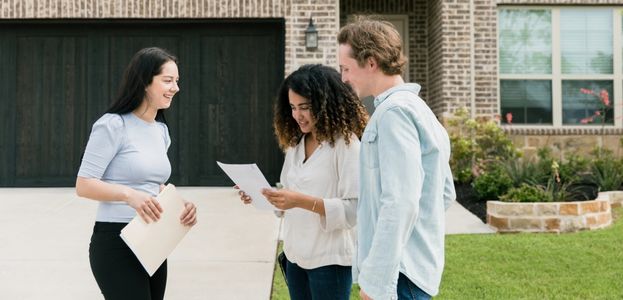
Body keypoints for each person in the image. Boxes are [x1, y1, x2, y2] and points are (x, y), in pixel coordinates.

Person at [337, 17, 456, 300]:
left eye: (346, 68)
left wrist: (377, 282)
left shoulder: (393, 114)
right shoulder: (419, 110)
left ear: (371, 62)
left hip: (398, 279)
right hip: (413, 272)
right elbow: (445, 193)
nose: (343, 78)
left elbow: (400, 201)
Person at [75, 47, 197, 300]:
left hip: (153, 240)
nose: (175, 87)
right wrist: (130, 195)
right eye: (167, 80)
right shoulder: (112, 124)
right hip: (116, 242)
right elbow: (84, 184)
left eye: (177, 81)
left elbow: (154, 184)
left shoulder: (160, 130)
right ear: (144, 81)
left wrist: (179, 203)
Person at [237, 64, 368, 300]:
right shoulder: (296, 146)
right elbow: (287, 197)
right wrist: (261, 194)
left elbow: (355, 210)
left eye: (305, 107)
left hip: (329, 262)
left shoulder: (346, 145)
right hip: (295, 257)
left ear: (325, 104)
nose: (297, 115)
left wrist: (299, 200)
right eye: (293, 107)